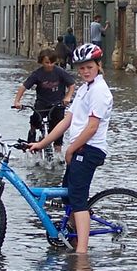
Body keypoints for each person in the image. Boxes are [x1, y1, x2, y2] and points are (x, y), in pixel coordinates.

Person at [28, 44, 111, 254]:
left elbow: (92, 127)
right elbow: (67, 121)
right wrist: (42, 143)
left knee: (77, 198)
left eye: (89, 67)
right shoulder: (84, 89)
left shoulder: (100, 91)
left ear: (98, 66)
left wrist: (70, 149)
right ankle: (73, 238)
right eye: (81, 68)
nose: (85, 71)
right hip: (79, 148)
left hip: (89, 149)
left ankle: (81, 253)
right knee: (67, 197)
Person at [13, 48, 75, 155]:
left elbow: (72, 85)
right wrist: (17, 101)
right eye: (47, 62)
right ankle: (32, 135)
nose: (49, 65)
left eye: (52, 62)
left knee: (58, 127)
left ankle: (58, 152)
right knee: (35, 118)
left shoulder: (60, 72)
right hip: (42, 103)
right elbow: (23, 87)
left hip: (58, 104)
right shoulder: (37, 74)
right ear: (41, 61)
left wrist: (67, 97)